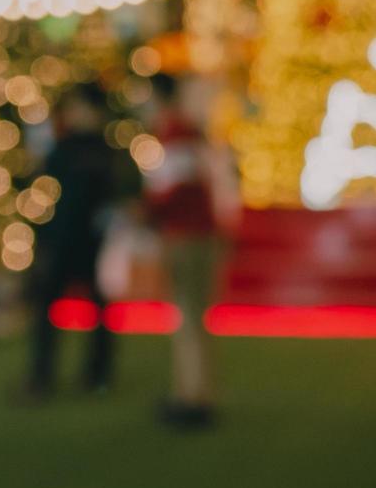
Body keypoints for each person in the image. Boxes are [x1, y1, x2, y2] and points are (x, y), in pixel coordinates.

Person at [19, 83, 139, 401]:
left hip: (93, 241)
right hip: (64, 238)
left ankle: (97, 372)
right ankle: (44, 373)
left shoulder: (105, 151)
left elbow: (119, 194)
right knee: (49, 305)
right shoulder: (65, 147)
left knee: (99, 308)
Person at [144, 73, 237, 429]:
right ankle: (193, 390)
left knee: (189, 315)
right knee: (191, 315)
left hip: (188, 235)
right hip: (195, 233)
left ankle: (194, 396)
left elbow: (178, 189)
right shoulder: (185, 133)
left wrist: (147, 210)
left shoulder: (177, 134)